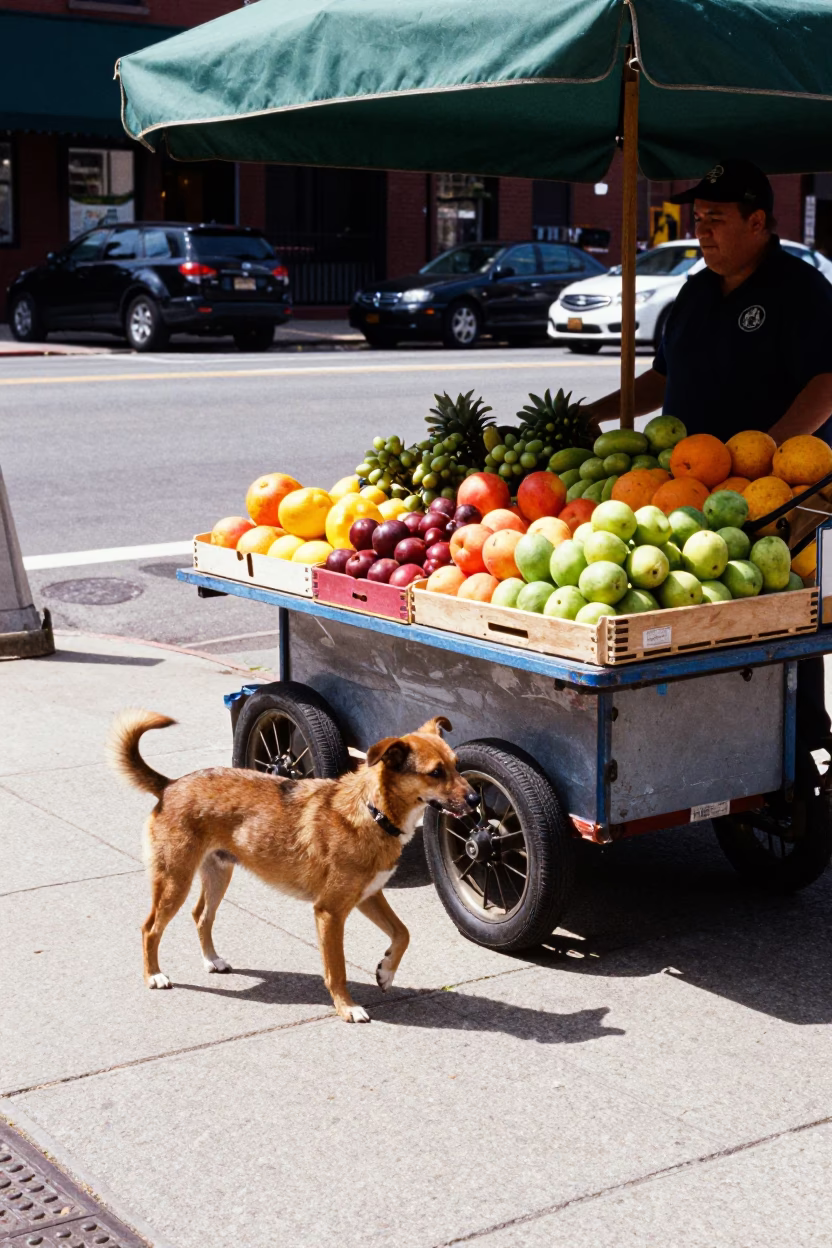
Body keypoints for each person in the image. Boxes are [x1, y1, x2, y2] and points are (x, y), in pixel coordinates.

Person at [585, 158, 832, 753]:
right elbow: (659, 380)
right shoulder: (693, 293)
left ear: (758, 222)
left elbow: (826, 383)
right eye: (699, 219)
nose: (704, 231)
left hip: (781, 495)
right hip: (687, 493)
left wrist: (767, 457)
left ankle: (797, 746)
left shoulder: (801, 290)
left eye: (717, 219)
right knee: (702, 617)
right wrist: (589, 414)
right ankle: (699, 742)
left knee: (783, 617)